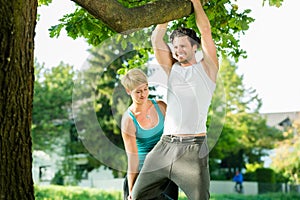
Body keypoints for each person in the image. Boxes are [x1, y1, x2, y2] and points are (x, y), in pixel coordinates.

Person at [131, 0, 219, 199]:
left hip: (192, 149)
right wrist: (166, 14)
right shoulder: (173, 69)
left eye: (182, 46)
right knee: (137, 196)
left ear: (195, 47)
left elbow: (205, 31)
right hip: (164, 146)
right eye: (175, 47)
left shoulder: (208, 68)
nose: (178, 50)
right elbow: (156, 40)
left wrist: (196, 2)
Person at [120, 68, 178, 200]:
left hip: (165, 174)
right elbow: (132, 158)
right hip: (142, 176)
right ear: (128, 91)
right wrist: (131, 190)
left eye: (145, 89)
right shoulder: (128, 120)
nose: (143, 94)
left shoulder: (161, 107)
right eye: (138, 92)